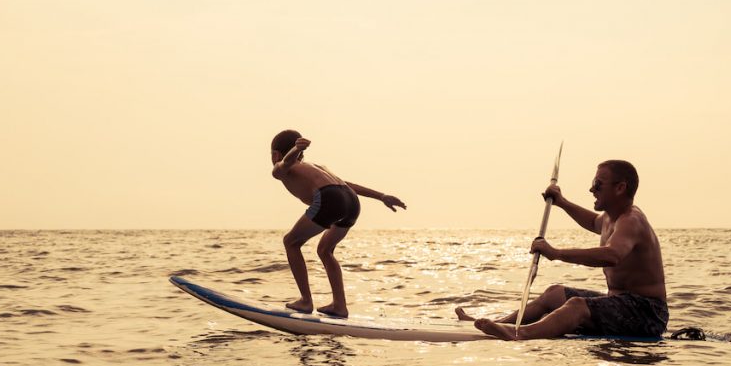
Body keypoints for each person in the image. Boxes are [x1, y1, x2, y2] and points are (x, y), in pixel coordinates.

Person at [456, 160, 668, 340]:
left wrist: (556, 253)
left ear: (620, 188)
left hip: (648, 314)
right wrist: (562, 203)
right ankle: (499, 323)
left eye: (597, 184)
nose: (592, 189)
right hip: (618, 302)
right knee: (553, 294)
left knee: (577, 306)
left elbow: (612, 255)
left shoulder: (631, 221)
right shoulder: (609, 218)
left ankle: (521, 334)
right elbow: (593, 221)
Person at [271, 129, 406, 317]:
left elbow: (286, 162)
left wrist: (293, 150)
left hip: (330, 199)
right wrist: (381, 196)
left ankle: (305, 301)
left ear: (275, 154)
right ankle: (339, 305)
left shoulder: (279, 168)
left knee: (291, 242)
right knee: (325, 250)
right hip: (350, 200)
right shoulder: (318, 167)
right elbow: (347, 184)